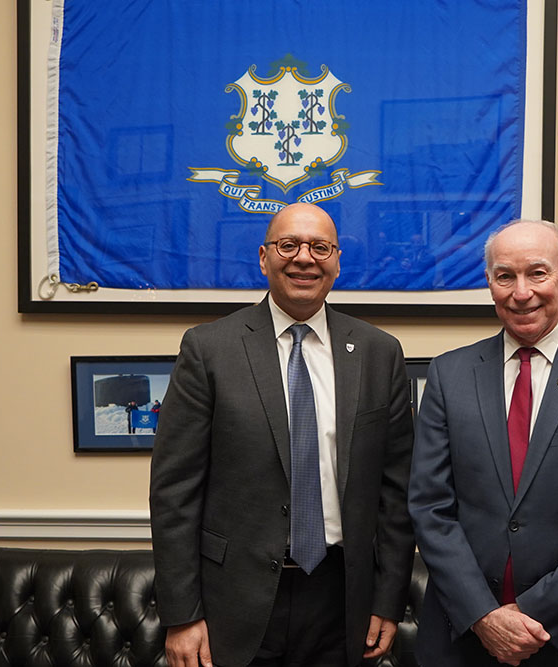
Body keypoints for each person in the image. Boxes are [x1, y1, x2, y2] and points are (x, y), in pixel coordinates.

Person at [149, 202, 415, 667]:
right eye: (288, 245)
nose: (304, 258)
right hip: (234, 601)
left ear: (337, 260)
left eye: (319, 247)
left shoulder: (379, 353)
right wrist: (181, 614)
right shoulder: (209, 350)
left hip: (342, 598)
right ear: (263, 257)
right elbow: (174, 493)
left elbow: (397, 493)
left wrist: (387, 600)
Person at [408, 220, 558, 667]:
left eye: (537, 273)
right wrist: (484, 617)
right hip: (462, 638)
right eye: (505, 276)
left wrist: (528, 615)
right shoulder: (448, 376)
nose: (522, 292)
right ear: (490, 283)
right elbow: (429, 508)